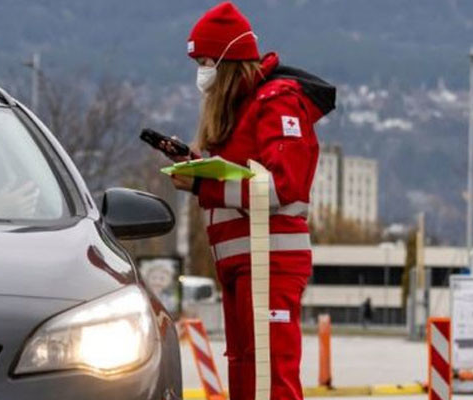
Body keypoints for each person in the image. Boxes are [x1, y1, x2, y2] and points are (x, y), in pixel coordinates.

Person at [168, 2, 335, 399]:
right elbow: (245, 174)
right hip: (243, 263)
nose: (202, 71)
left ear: (228, 62)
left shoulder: (276, 102)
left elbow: (282, 186)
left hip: (269, 260)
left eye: (207, 61)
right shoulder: (241, 108)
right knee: (245, 370)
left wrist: (201, 185)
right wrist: (200, 167)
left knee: (271, 376)